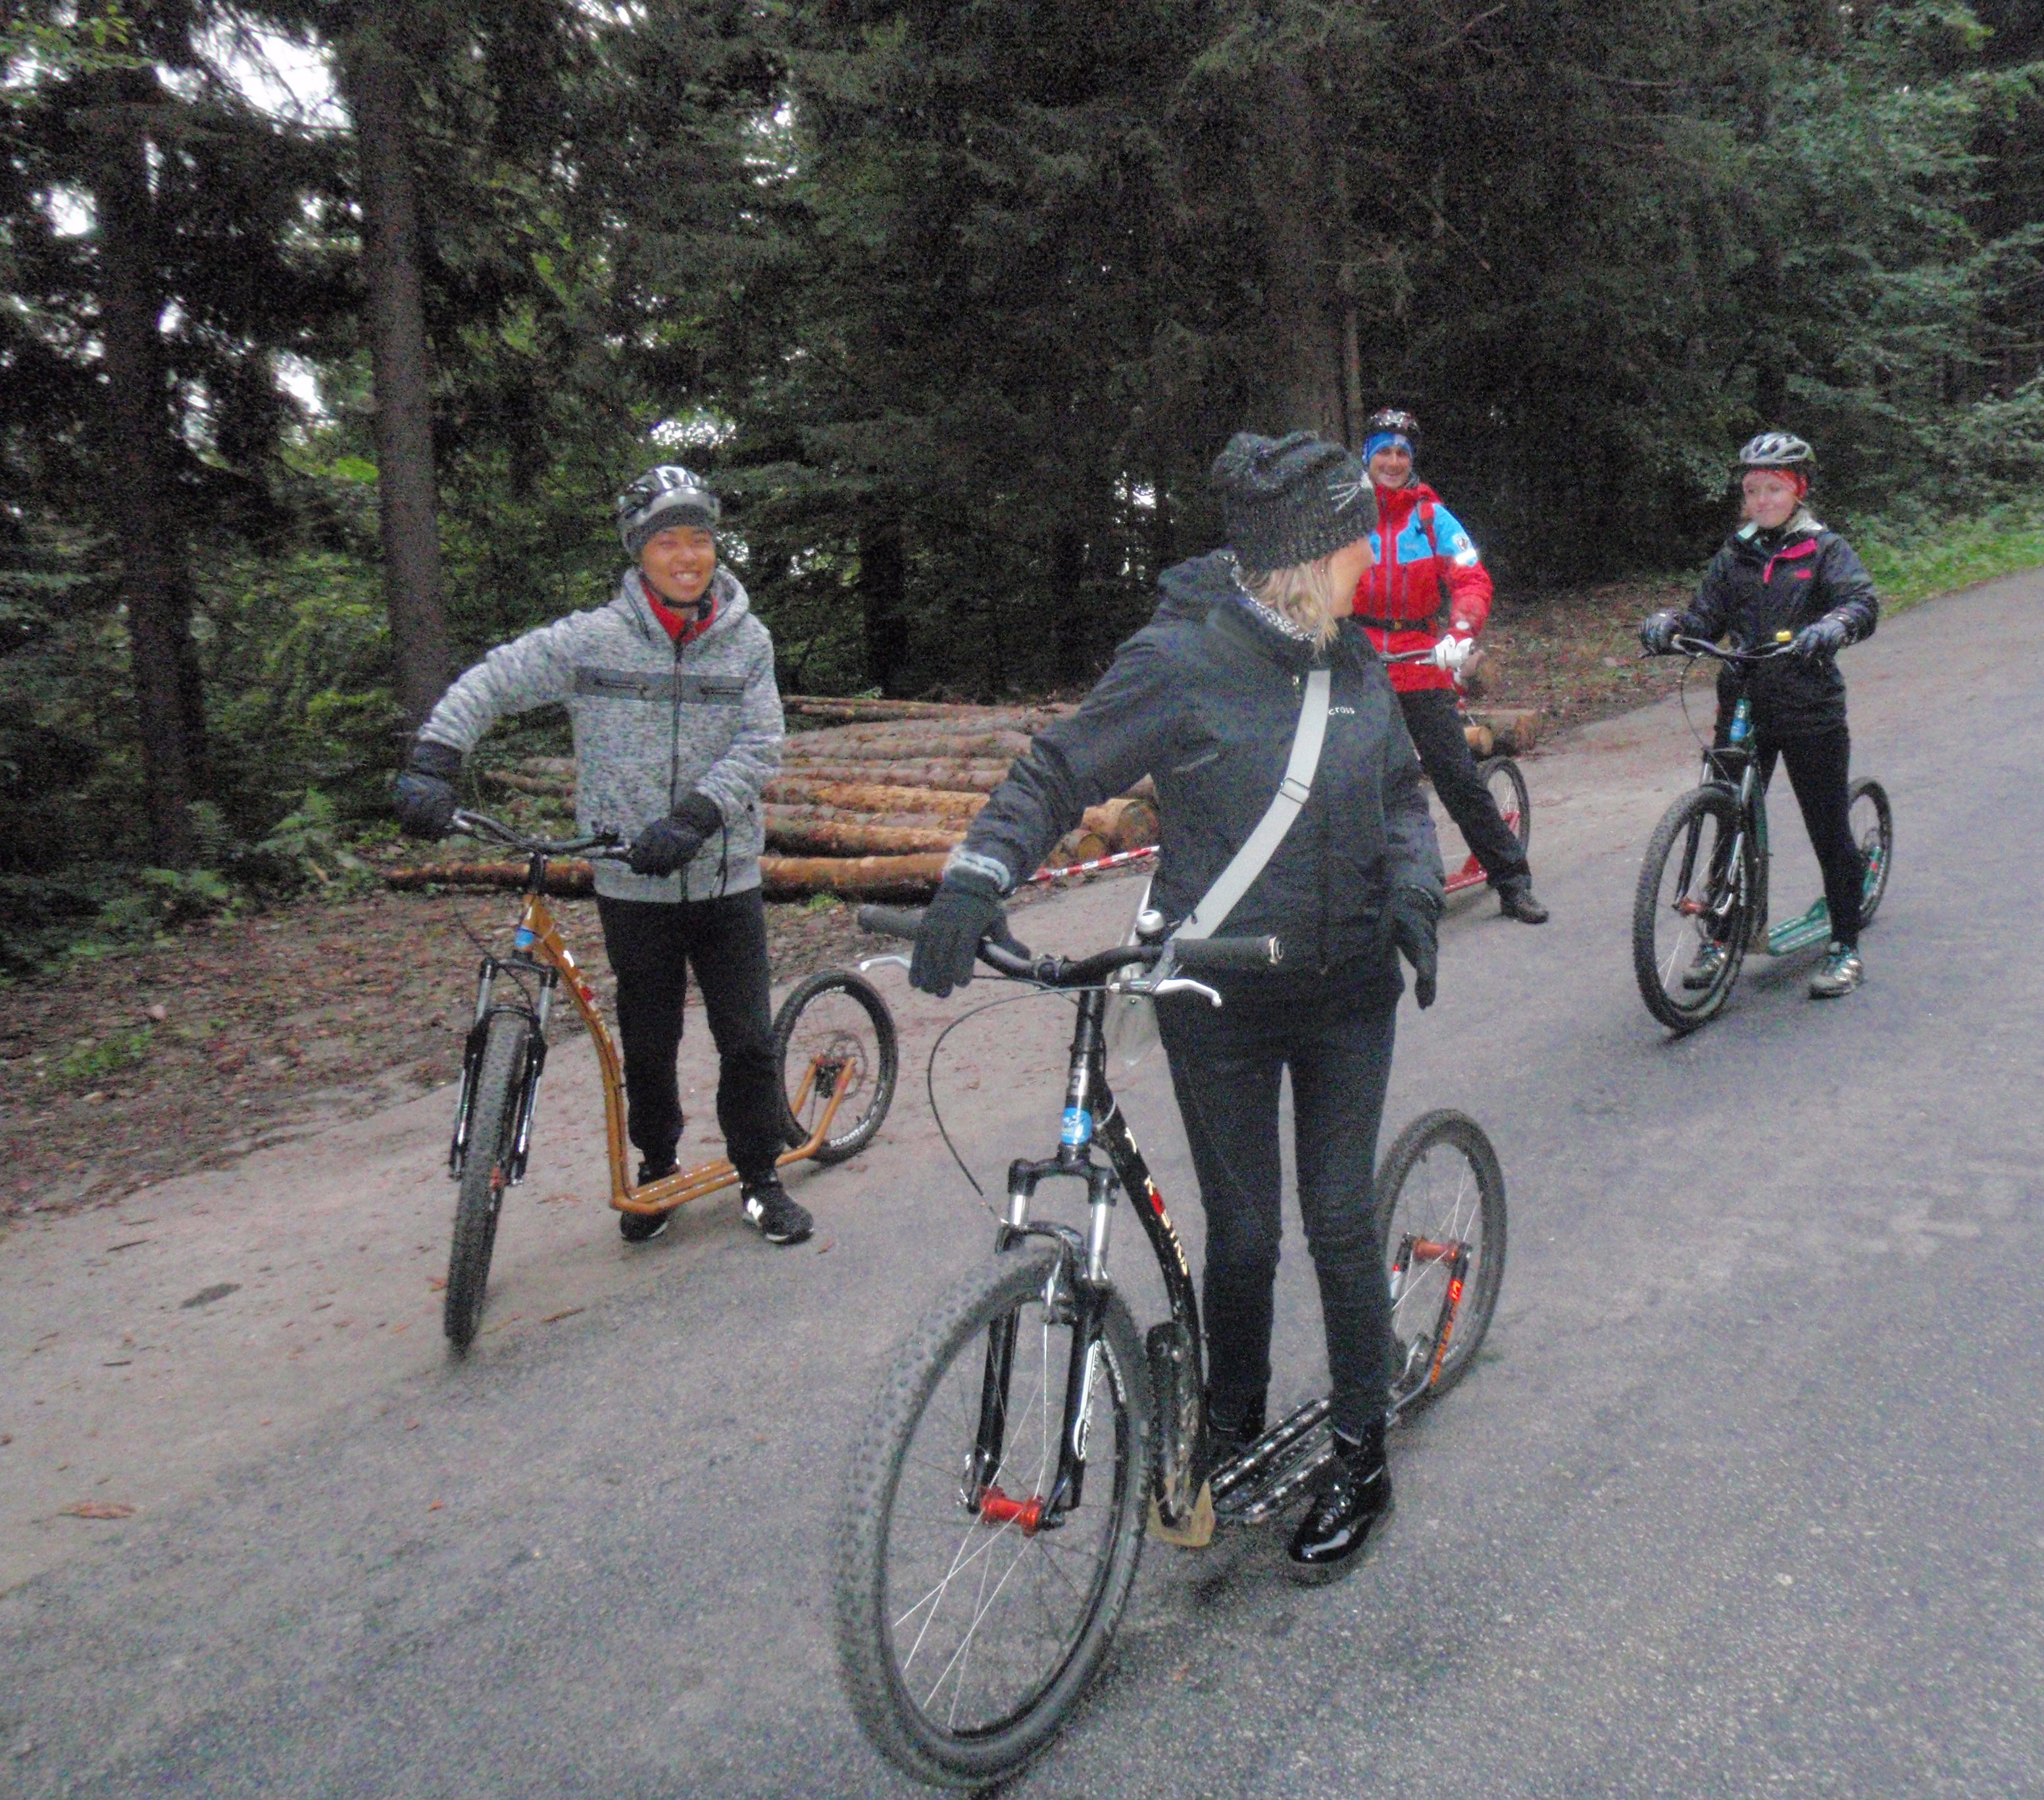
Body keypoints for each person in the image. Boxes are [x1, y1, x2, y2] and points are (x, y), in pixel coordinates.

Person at [907, 431, 1444, 1581]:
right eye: (1359, 541)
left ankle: (1362, 1454)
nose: (1373, 558)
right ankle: (1232, 1421)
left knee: (1337, 1221)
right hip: (1218, 993)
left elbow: (1402, 791)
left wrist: (1413, 895)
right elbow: (1058, 770)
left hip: (1349, 990)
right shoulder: (1182, 659)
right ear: (1312, 557)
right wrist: (977, 873)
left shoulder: (1352, 656)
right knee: (1242, 1235)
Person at [391, 466, 811, 1244]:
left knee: (747, 1041)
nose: (687, 556)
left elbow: (761, 744)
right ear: (638, 551)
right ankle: (659, 1169)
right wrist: (435, 756)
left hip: (724, 878)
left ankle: (760, 1178)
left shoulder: (748, 641)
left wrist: (694, 818)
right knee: (647, 1048)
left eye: (699, 539)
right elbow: (496, 679)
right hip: (631, 883)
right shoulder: (593, 639)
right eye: (667, 541)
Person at [1639, 432, 1880, 998]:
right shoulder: (1736, 554)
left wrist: (1834, 626)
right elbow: (1705, 618)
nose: (1762, 500)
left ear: (1798, 491)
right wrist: (1671, 626)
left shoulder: (1824, 549)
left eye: (1774, 489)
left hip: (1808, 704)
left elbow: (1862, 603)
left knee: (1827, 828)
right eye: (1752, 491)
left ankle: (1845, 947)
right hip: (1744, 700)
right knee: (1728, 819)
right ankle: (1720, 937)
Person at [1351, 407, 1548, 924]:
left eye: (1402, 453)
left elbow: (1471, 577)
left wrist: (1460, 632)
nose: (1393, 462)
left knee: (1456, 776)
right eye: (1384, 452)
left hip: (1420, 659)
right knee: (1348, 777)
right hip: (1360, 661)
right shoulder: (1345, 514)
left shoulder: (1431, 517)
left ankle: (1513, 880)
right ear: (1367, 457)